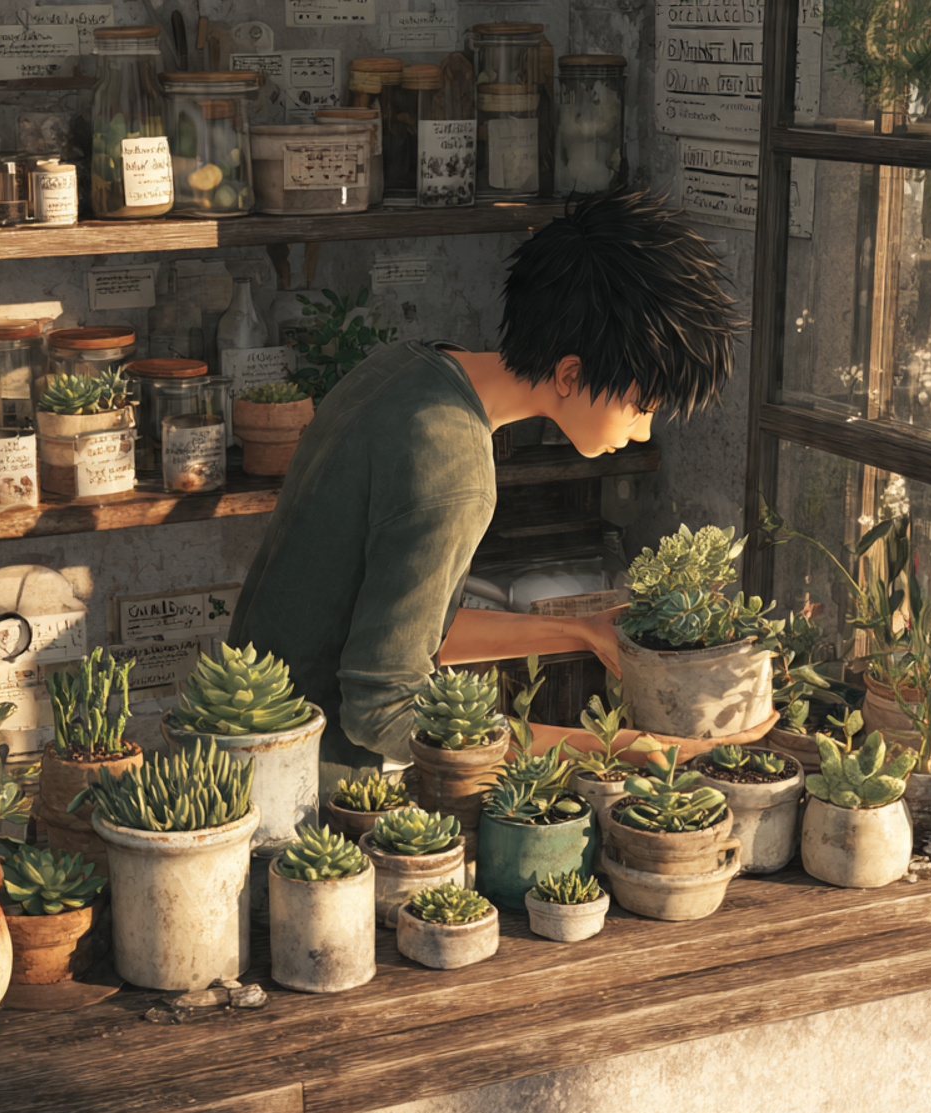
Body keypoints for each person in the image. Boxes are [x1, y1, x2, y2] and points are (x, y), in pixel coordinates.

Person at [229, 188, 745, 778]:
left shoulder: (407, 368)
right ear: (571, 373)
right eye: (640, 406)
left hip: (247, 727)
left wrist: (579, 631)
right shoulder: (453, 466)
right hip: (305, 778)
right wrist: (616, 746)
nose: (643, 431)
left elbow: (407, 632)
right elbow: (383, 714)